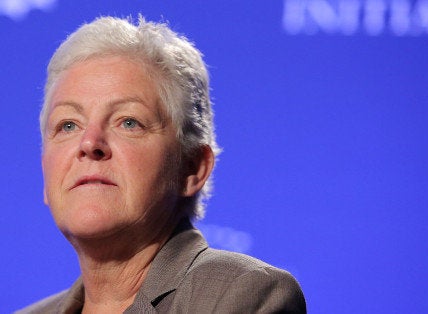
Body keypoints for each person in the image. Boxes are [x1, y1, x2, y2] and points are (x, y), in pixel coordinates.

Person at [16, 15, 306, 313]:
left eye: (128, 122)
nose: (89, 144)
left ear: (192, 168)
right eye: (67, 125)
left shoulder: (240, 294)